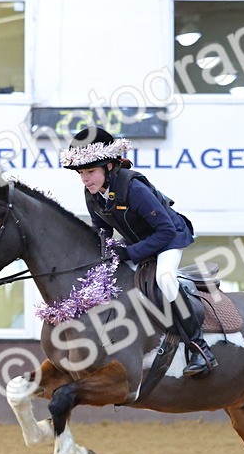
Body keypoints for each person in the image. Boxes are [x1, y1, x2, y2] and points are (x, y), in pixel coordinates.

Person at [60, 126, 215, 376]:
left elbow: (164, 231)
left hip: (170, 239)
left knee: (165, 280)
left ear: (109, 167)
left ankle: (199, 347)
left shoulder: (134, 188)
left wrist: (129, 253)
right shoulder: (92, 194)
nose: (85, 179)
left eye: (90, 172)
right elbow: (101, 230)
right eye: (80, 173)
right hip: (137, 242)